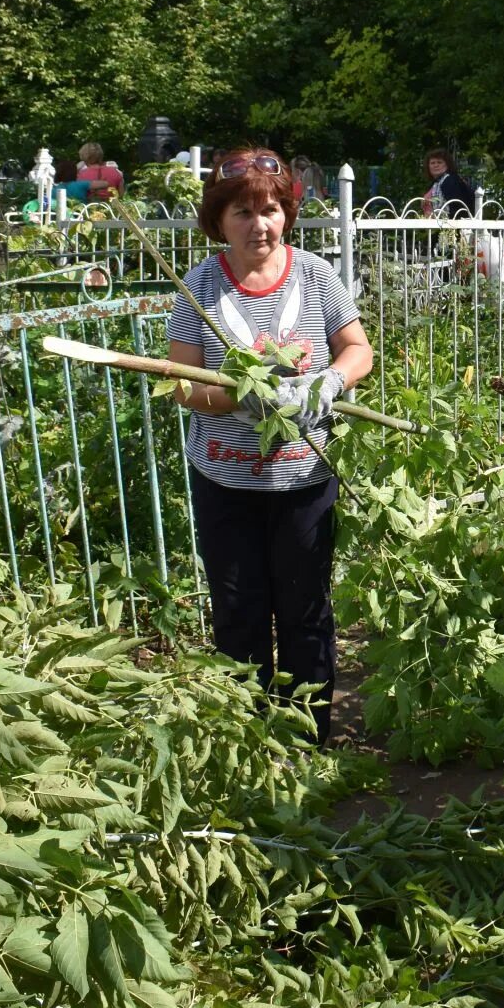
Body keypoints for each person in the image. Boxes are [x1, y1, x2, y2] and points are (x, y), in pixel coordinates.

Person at [166, 148, 373, 744]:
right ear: (218, 220)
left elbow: (357, 349)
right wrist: (240, 397)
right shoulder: (200, 286)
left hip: (303, 478)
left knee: (306, 611)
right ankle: (250, 743)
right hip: (225, 480)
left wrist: (329, 382)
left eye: (271, 210)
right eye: (243, 212)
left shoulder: (315, 275)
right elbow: (181, 383)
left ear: (287, 214)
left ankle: (307, 743)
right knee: (240, 614)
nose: (260, 224)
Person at [423, 148, 475, 217]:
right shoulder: (437, 183)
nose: (436, 165)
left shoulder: (450, 180)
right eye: (432, 163)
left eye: (439, 162)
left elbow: (458, 207)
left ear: (447, 165)